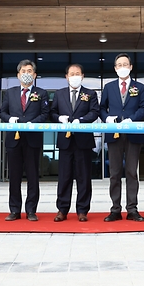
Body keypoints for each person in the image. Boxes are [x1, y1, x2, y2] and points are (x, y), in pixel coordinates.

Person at [99, 53, 144, 222]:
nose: (122, 67)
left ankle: (132, 209)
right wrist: (106, 118)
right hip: (114, 134)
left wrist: (132, 119)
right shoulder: (109, 87)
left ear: (131, 67)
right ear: (115, 68)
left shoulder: (139, 87)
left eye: (125, 64)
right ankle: (115, 209)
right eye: (119, 65)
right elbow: (102, 108)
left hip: (133, 133)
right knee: (114, 173)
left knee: (131, 172)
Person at [48, 63, 100, 222]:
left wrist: (81, 120)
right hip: (65, 141)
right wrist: (59, 118)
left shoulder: (90, 93)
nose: (75, 76)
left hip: (83, 141)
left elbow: (95, 112)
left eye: (78, 73)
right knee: (64, 177)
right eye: (72, 74)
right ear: (66, 77)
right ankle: (62, 210)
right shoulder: (59, 94)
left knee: (84, 177)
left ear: (82, 76)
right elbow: (52, 112)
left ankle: (82, 210)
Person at [0, 59, 48, 221]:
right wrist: (10, 119)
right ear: (18, 74)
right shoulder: (10, 92)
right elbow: (2, 112)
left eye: (29, 71)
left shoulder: (41, 93)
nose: (26, 74)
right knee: (14, 176)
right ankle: (14, 210)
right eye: (23, 71)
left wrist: (31, 124)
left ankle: (31, 210)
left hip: (32, 139)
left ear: (34, 75)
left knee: (33, 176)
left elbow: (44, 114)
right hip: (14, 139)